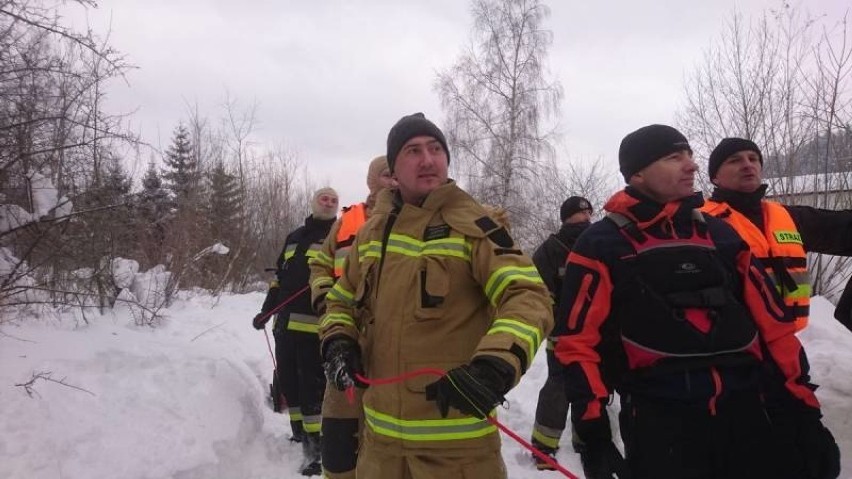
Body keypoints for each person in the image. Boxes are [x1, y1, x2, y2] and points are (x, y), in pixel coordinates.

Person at [553, 124, 839, 479]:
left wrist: (803, 411)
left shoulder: (721, 234)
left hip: (747, 413)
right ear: (638, 172)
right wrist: (591, 427)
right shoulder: (601, 243)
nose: (690, 165)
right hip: (662, 424)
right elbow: (577, 342)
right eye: (674, 157)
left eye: (689, 155)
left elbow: (775, 329)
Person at [318, 112, 552, 478]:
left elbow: (528, 296)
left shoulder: (475, 228)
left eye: (436, 149)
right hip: (379, 453)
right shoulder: (371, 234)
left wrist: (494, 366)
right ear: (394, 170)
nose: (428, 159)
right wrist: (338, 340)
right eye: (413, 150)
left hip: (457, 456)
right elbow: (340, 300)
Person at [701, 137, 852, 332]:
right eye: (735, 160)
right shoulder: (699, 222)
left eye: (753, 158)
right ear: (715, 177)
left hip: (787, 344)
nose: (747, 165)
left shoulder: (788, 218)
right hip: (731, 347)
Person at [308, 155, 394, 479]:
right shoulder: (346, 221)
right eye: (386, 175)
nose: (392, 180)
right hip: (345, 337)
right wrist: (324, 301)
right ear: (373, 180)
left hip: (392, 343)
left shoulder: (416, 219)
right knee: (339, 434)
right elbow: (320, 264)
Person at [253, 187, 339, 476]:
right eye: (324, 199)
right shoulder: (294, 238)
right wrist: (266, 310)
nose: (328, 203)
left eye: (333, 200)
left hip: (315, 326)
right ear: (314, 203)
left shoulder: (337, 236)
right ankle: (299, 432)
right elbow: (279, 277)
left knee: (311, 387)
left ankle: (317, 450)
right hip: (285, 325)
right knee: (289, 383)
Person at [529, 195, 594, 470]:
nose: (585, 218)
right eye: (580, 214)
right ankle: (551, 445)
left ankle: (575, 441)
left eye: (587, 213)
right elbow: (539, 295)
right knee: (568, 387)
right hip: (573, 337)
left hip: (585, 337)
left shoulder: (596, 243)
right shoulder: (553, 250)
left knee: (581, 388)